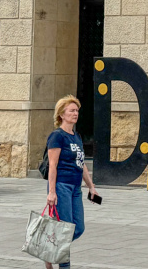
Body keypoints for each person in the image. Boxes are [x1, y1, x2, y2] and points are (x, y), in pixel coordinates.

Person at [45, 95, 99, 269]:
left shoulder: (76, 136)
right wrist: (51, 192)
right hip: (61, 186)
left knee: (78, 228)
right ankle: (63, 265)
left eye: (77, 111)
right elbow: (52, 166)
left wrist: (91, 187)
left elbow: (81, 164)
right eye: (72, 110)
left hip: (76, 188)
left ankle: (49, 248)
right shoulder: (57, 136)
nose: (75, 113)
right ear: (62, 114)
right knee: (66, 230)